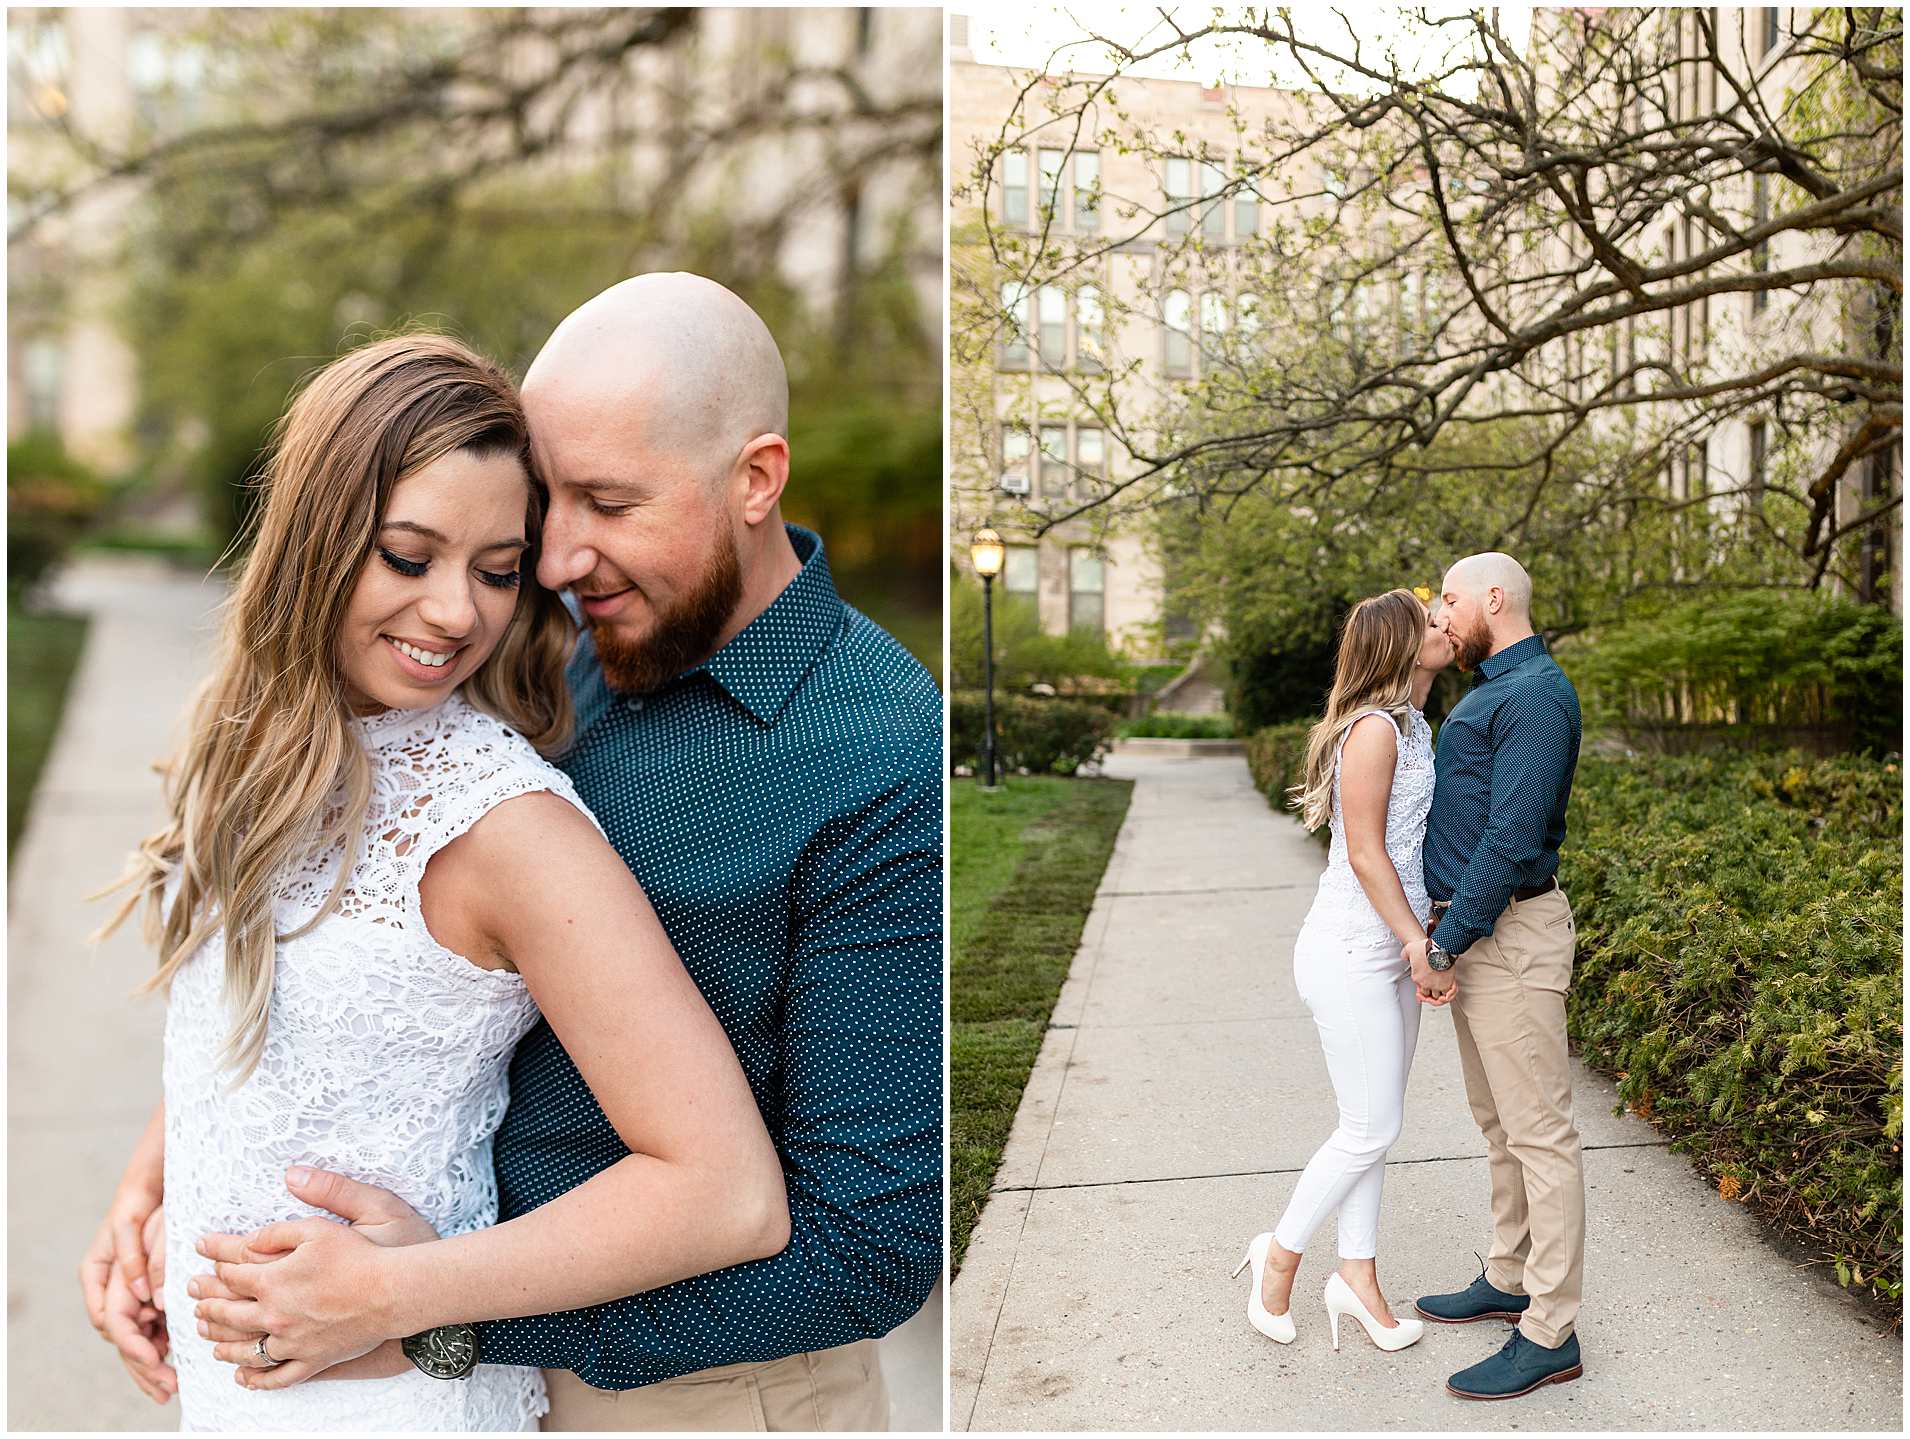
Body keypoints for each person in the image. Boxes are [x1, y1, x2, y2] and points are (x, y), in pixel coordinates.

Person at [85, 275, 943, 1430]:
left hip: (706, 1394)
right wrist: (165, 1170)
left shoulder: (880, 750)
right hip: (392, 1339)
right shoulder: (551, 646)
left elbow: (869, 1248)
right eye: (550, 506)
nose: (552, 563)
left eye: (606, 501)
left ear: (755, 478)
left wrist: (433, 1312)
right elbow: (337, 957)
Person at [1233, 589, 1453, 1353]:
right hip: (1352, 949)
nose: (1445, 625)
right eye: (1430, 621)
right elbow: (1364, 851)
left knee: (1372, 1125)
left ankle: (1357, 1278)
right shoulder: (1372, 732)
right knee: (1371, 1123)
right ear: (1400, 643)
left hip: (1393, 946)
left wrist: (1425, 926)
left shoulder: (1415, 726)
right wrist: (1415, 941)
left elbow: (1412, 844)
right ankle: (1282, 1253)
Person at [1406, 552, 1585, 1402]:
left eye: (1448, 599)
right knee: (1498, 1125)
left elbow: (1512, 840)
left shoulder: (1539, 697)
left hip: (1509, 936)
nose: (1441, 615)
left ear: (1494, 597)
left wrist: (1448, 942)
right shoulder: (1491, 690)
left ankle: (1550, 1328)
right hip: (1478, 935)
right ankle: (1509, 1274)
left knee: (1540, 1134)